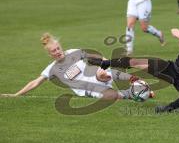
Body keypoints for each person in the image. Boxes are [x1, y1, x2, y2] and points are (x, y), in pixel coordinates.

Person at [88, 27, 179, 113]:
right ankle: (106, 62)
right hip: (171, 68)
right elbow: (174, 29)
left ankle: (167, 109)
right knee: (137, 61)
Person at [1, 33, 146, 101]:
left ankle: (134, 80)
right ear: (50, 55)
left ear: (60, 46)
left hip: (98, 77)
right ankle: (133, 93)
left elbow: (96, 57)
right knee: (114, 97)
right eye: (54, 51)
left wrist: (107, 62)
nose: (57, 52)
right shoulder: (51, 69)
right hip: (88, 90)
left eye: (58, 48)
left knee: (102, 72)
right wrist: (16, 95)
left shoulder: (72, 53)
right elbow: (36, 82)